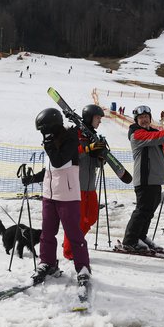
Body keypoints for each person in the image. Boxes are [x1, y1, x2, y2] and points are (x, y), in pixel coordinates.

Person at [22, 108, 91, 286]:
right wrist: (33, 179)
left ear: (53, 126)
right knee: (47, 233)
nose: (43, 134)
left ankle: (83, 268)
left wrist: (48, 145)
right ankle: (47, 263)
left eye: (44, 130)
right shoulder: (51, 141)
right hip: (49, 194)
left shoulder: (70, 139)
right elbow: (50, 169)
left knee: (74, 234)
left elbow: (59, 161)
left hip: (68, 195)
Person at [122, 105, 164, 251]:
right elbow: (154, 138)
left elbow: (154, 153)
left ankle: (141, 236)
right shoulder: (136, 134)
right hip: (144, 179)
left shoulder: (152, 133)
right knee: (142, 210)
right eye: (141, 118)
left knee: (150, 210)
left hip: (155, 178)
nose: (144, 120)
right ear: (136, 120)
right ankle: (130, 240)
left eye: (146, 117)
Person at [62, 104, 106, 260]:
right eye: (97, 118)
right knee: (77, 220)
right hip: (76, 185)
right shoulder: (76, 134)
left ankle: (74, 242)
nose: (99, 122)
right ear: (89, 118)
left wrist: (100, 156)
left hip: (90, 185)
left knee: (92, 217)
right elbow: (70, 155)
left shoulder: (93, 137)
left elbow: (97, 163)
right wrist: (88, 149)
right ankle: (70, 251)